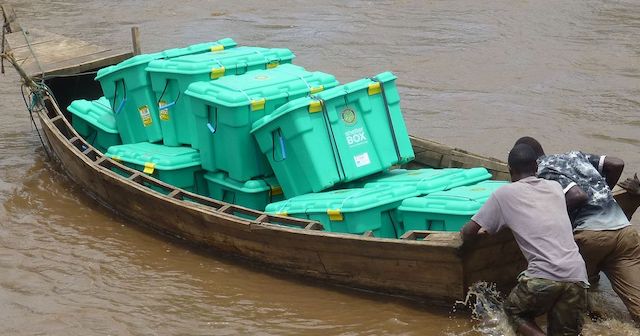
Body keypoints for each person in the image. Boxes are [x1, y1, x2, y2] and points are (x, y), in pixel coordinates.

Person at [461, 143, 588, 336]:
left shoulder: (503, 194)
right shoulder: (555, 187)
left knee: (512, 311)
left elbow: (469, 232)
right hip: (578, 276)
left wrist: (468, 245)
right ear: (536, 168)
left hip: (544, 276)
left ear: (510, 170)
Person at [514, 136, 640, 323]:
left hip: (591, 237)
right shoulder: (574, 156)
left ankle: (591, 321)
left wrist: (551, 218)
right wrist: (600, 196)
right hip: (625, 232)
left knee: (567, 292)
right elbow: (616, 164)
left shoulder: (541, 172)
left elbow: (577, 196)